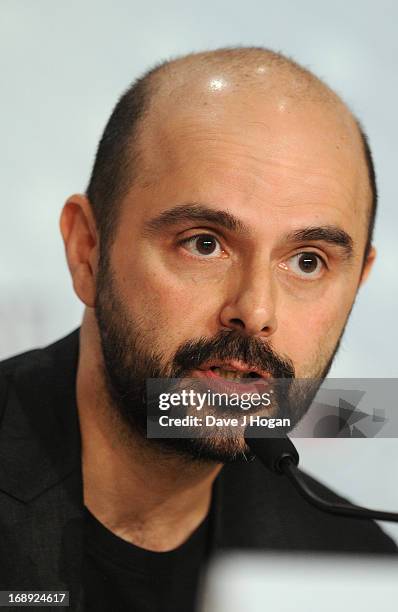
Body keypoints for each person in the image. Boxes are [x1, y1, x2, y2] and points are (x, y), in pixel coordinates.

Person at [0, 47, 396, 612]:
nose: (255, 310)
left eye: (308, 261)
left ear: (357, 283)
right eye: (204, 243)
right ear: (87, 251)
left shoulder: (354, 573)